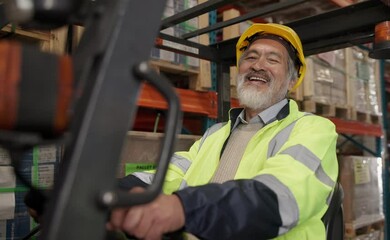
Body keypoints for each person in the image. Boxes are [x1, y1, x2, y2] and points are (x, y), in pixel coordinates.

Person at [108, 23, 339, 240]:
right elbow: (172, 175)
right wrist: (117, 191)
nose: (258, 65)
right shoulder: (216, 133)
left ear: (292, 80)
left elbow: (278, 196)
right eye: (251, 57)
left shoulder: (312, 129)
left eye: (273, 59)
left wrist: (183, 208)